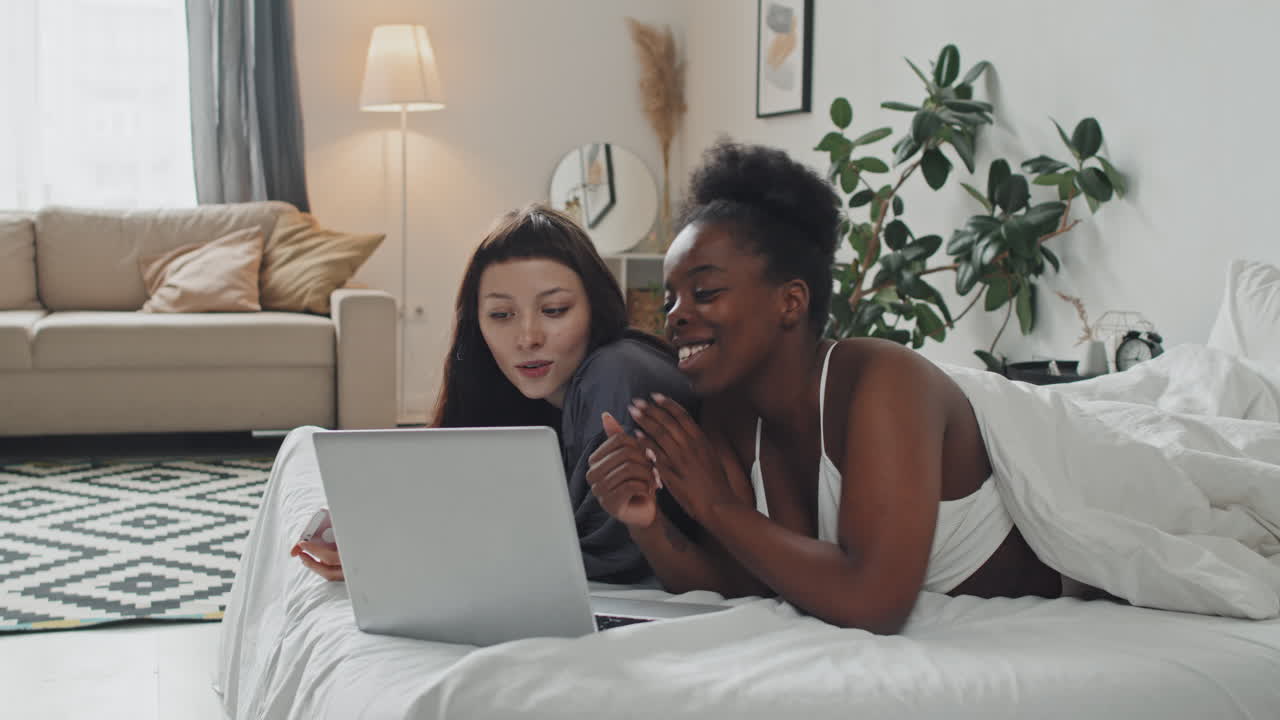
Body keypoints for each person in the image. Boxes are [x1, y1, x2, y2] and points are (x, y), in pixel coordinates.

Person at [586, 142, 1068, 635]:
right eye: (669, 300)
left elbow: (874, 603)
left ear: (791, 302)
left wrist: (714, 505)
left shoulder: (883, 381)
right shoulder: (728, 415)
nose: (675, 316)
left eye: (704, 292)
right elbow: (740, 583)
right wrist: (645, 524)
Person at [291, 203, 695, 584]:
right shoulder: (540, 397)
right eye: (501, 315)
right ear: (478, 324)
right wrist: (378, 523)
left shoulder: (616, 373)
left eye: (554, 310)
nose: (528, 337)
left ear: (595, 306)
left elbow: (606, 558)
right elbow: (486, 505)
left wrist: (393, 555)